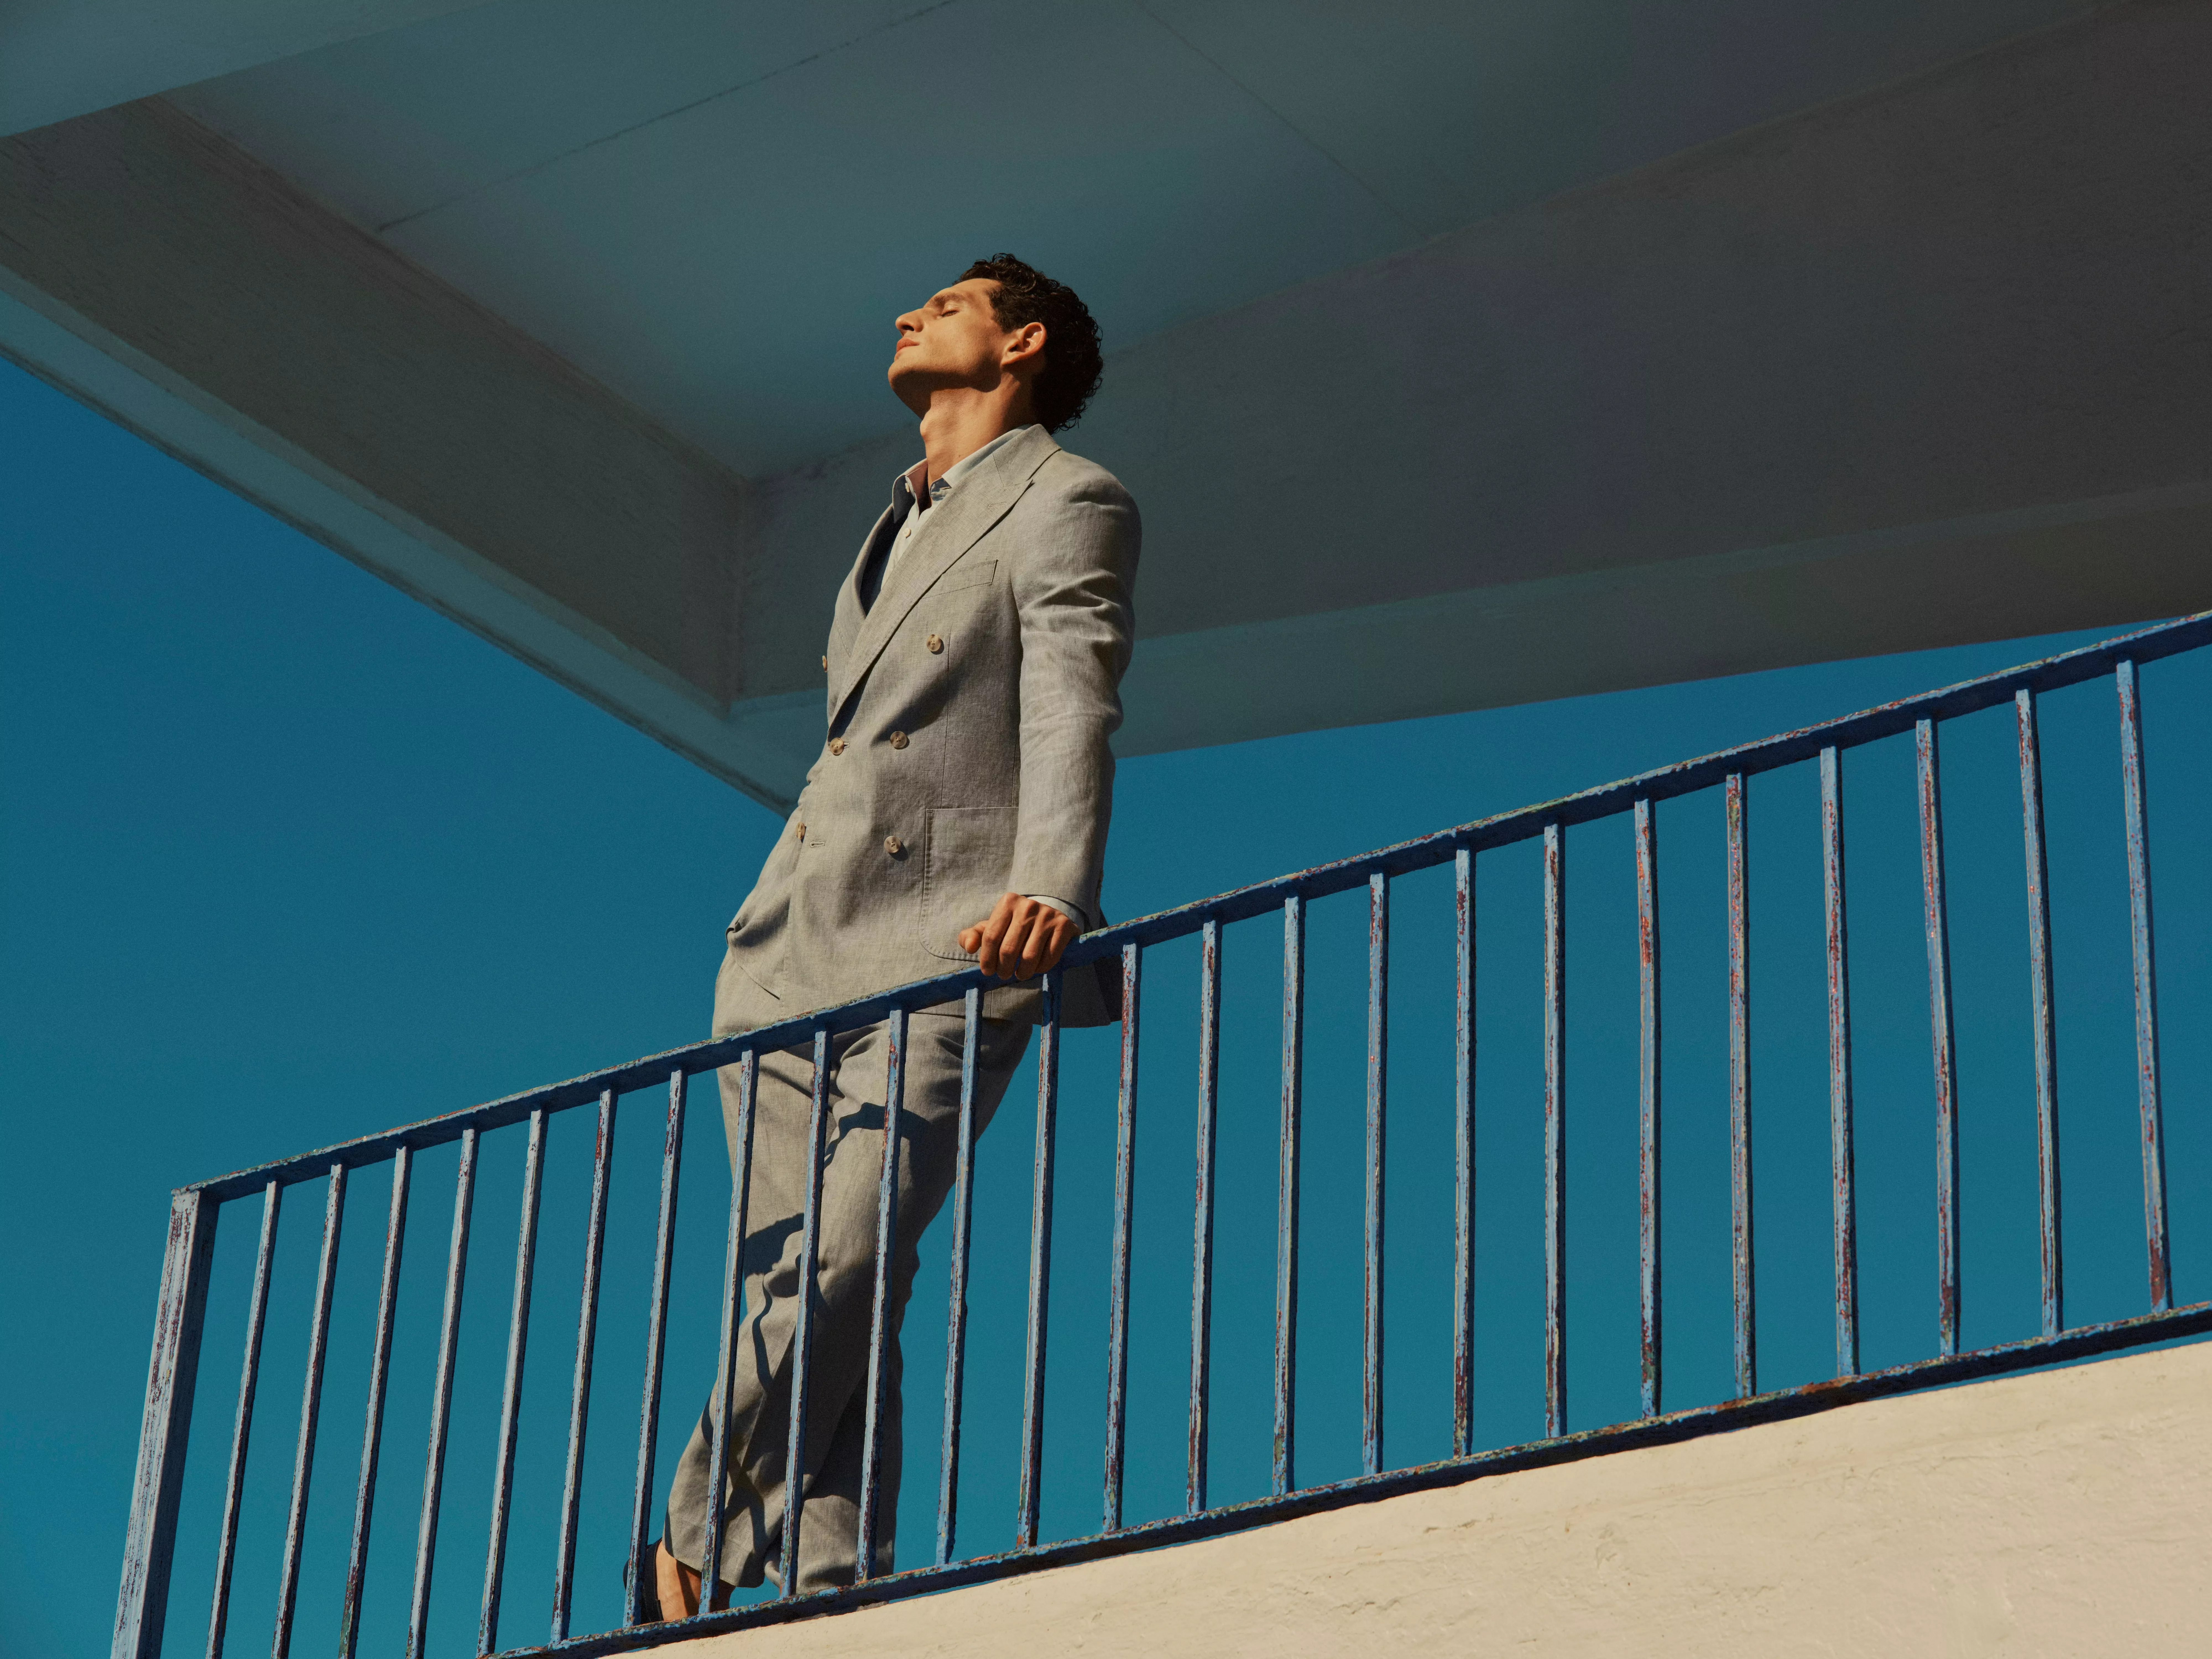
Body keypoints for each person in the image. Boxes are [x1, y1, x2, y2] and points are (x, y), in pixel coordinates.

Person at [645, 254, 1139, 1614]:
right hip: (788, 951)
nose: (911, 311)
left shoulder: (1067, 499)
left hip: (956, 937)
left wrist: (1055, 883)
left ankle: (689, 1533)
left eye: (951, 302)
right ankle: (822, 1586)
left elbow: (1071, 695)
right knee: (809, 1291)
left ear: (1020, 342)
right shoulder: (891, 523)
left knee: (851, 1255)